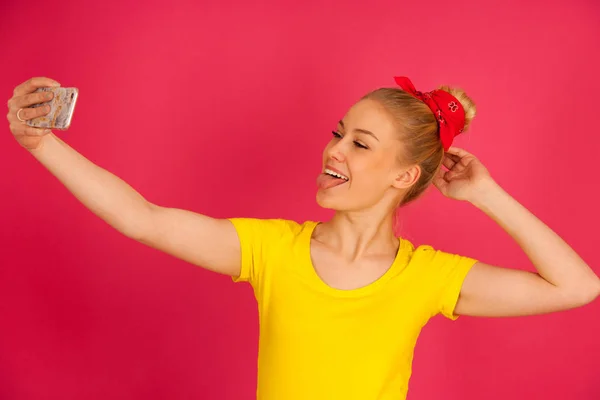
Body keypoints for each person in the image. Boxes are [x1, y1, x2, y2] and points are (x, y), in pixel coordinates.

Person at [7, 76, 600, 400]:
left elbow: (578, 287)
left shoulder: (428, 278)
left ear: (404, 176)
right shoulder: (273, 251)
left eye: (360, 144)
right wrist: (43, 144)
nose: (333, 151)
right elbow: (142, 217)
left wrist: (485, 194)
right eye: (338, 133)